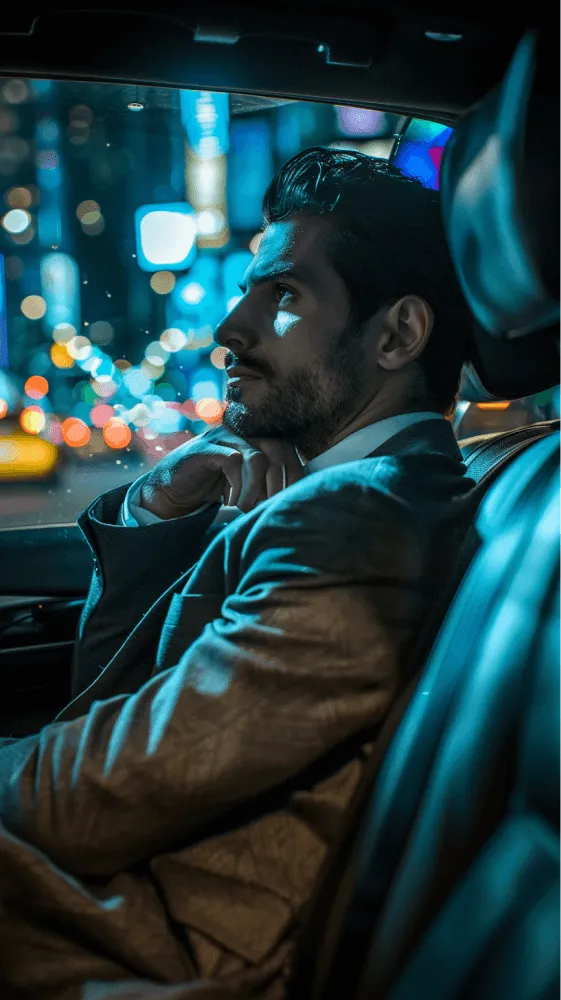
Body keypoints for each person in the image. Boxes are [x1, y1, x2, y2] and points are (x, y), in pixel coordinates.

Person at [0, 149, 476, 1000]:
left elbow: (85, 803)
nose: (230, 327)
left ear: (397, 335)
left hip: (147, 945)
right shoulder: (340, 498)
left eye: (283, 294)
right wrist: (158, 511)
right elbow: (112, 711)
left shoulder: (356, 519)